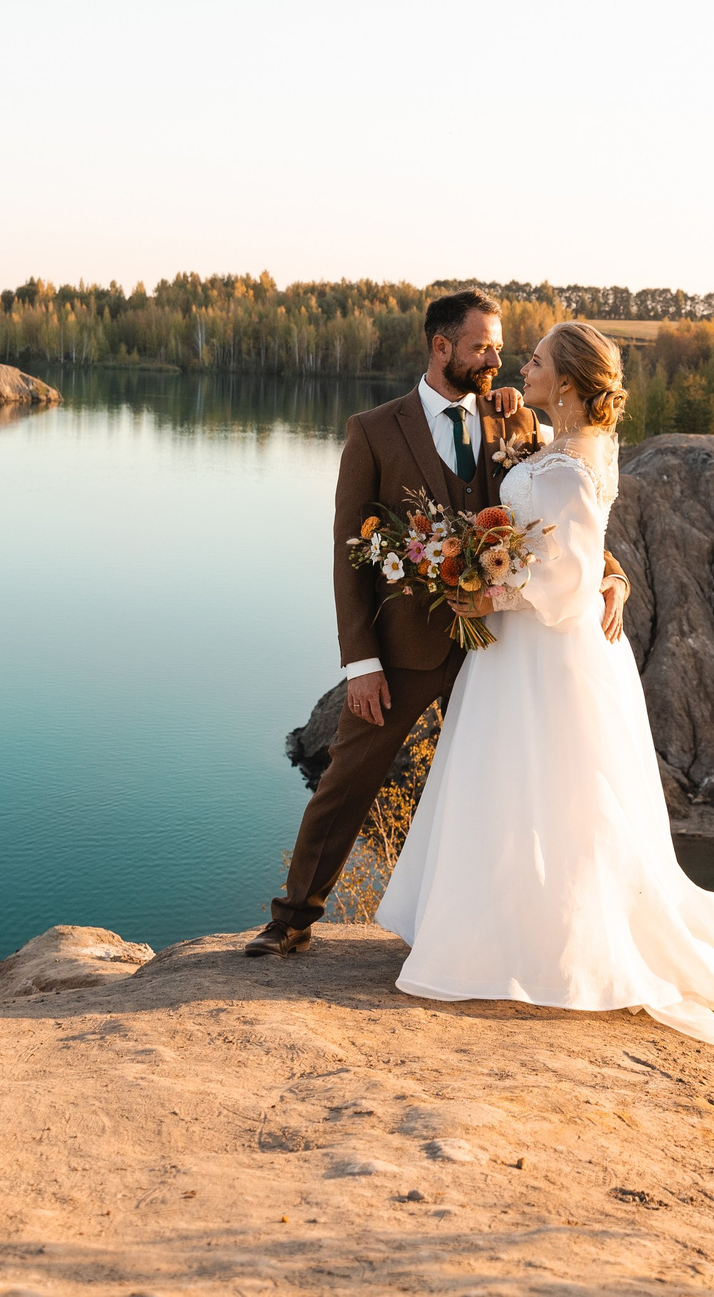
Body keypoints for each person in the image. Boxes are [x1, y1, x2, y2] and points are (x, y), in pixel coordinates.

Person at [376, 322, 714, 1048]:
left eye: (539, 360)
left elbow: (570, 572)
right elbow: (569, 543)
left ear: (572, 383)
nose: (524, 365)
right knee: (514, 784)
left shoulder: (577, 460)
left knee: (552, 787)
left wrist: (490, 595)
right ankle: (501, 929)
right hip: (524, 648)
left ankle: (536, 946)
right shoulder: (561, 443)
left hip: (546, 647)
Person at [248, 290, 631, 959]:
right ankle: (292, 918)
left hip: (502, 647)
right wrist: (360, 663)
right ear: (442, 346)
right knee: (346, 779)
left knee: (504, 781)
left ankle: (496, 929)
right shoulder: (374, 430)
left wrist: (612, 573)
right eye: (483, 345)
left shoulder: (513, 423)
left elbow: (563, 516)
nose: (497, 358)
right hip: (403, 649)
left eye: (503, 346)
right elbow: (348, 552)